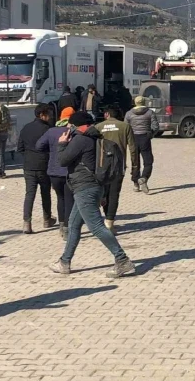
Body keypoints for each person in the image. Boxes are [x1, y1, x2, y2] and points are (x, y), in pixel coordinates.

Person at [50, 112, 135, 278]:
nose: (68, 128)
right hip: (92, 187)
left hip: (85, 189)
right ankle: (64, 262)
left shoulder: (80, 140)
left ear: (77, 125)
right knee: (74, 226)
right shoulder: (96, 138)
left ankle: (122, 260)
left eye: (70, 125)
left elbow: (62, 161)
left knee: (96, 227)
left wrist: (61, 144)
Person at [96, 107, 137, 235]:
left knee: (104, 193)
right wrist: (135, 166)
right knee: (114, 194)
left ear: (107, 114)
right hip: (118, 166)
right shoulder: (125, 126)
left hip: (101, 165)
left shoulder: (98, 126)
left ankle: (105, 218)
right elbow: (133, 148)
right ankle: (109, 222)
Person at [36, 107, 75, 240]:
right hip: (69, 171)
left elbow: (39, 146)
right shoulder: (73, 132)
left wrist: (51, 152)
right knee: (69, 199)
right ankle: (67, 228)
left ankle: (61, 226)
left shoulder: (51, 131)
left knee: (60, 198)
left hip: (53, 171)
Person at [17, 104, 56, 234]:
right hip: (44, 165)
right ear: (42, 115)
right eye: (48, 114)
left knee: (29, 194)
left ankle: (26, 223)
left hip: (29, 166)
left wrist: (28, 156)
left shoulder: (26, 128)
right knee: (46, 193)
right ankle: (47, 219)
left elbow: (20, 148)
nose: (50, 117)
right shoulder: (49, 129)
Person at [125, 96, 159, 194]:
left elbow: (126, 127)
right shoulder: (149, 112)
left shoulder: (129, 113)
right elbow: (155, 126)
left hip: (133, 139)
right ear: (144, 102)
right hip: (145, 138)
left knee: (135, 162)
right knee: (148, 161)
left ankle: (136, 183)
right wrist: (151, 134)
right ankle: (144, 178)